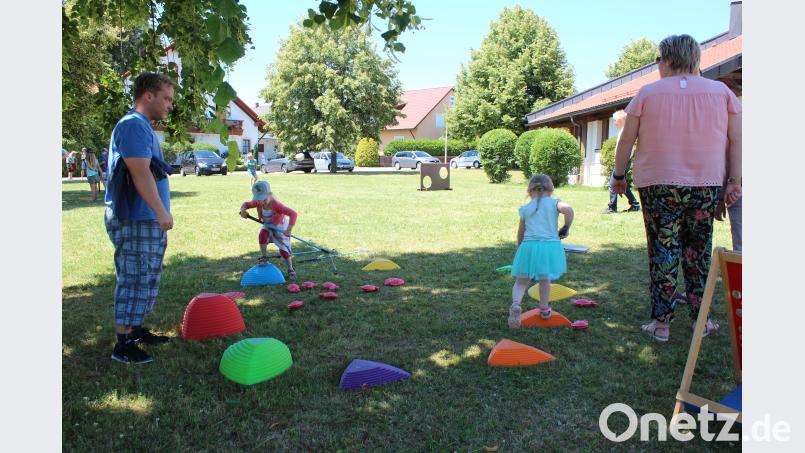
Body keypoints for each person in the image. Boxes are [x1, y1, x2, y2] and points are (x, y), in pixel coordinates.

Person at [612, 34, 742, 342]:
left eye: (658, 60)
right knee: (698, 251)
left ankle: (662, 324)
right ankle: (703, 320)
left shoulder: (648, 93)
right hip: (706, 184)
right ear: (695, 59)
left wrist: (619, 176)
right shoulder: (722, 92)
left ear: (668, 59)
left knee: (662, 249)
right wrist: (734, 182)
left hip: (659, 186)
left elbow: (626, 139)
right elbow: (736, 140)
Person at [104, 72, 175, 364]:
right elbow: (139, 172)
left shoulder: (141, 126)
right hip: (135, 218)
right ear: (149, 95)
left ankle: (135, 330)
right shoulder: (133, 125)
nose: (170, 105)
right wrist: (160, 211)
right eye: (167, 98)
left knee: (147, 276)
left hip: (145, 219)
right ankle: (123, 344)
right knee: (134, 277)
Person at [508, 173, 574, 329]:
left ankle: (516, 304)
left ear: (529, 191)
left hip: (529, 246)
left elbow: (521, 231)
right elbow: (569, 210)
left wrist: (519, 247)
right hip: (549, 248)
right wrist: (566, 227)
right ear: (550, 190)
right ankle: (544, 309)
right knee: (545, 279)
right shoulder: (554, 203)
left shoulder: (525, 208)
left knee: (521, 281)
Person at [239, 181, 298, 280]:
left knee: (284, 251)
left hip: (280, 227)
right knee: (262, 235)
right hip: (268, 225)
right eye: (258, 199)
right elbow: (246, 204)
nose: (260, 202)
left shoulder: (277, 205)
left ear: (270, 195)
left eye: (263, 199)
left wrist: (289, 230)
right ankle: (264, 257)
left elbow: (293, 214)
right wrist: (243, 210)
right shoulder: (258, 202)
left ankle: (290, 269)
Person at [603, 110, 640, 214]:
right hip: (623, 161)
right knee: (621, 184)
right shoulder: (624, 130)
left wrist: (621, 162)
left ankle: (612, 208)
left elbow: (626, 148)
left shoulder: (625, 131)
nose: (614, 123)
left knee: (612, 184)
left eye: (615, 120)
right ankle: (635, 204)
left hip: (623, 161)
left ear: (621, 119)